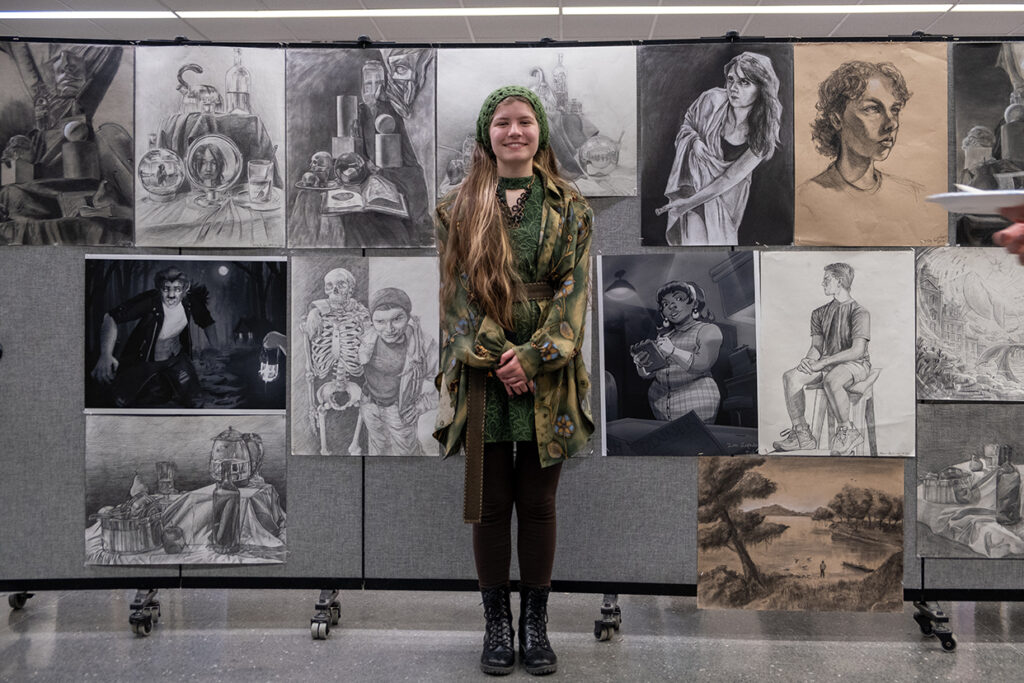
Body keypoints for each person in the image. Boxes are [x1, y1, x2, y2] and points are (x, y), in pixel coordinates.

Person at [434, 85, 593, 676]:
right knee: (492, 503)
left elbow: (573, 298)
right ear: (488, 135)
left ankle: (537, 625)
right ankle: (497, 625)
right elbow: (454, 299)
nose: (515, 131)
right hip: (484, 373)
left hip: (547, 375)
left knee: (539, 503)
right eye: (502, 123)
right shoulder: (458, 208)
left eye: (525, 121)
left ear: (541, 132)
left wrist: (535, 357)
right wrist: (499, 355)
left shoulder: (571, 207)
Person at [794, 61, 928, 245]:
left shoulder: (913, 195)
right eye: (872, 109)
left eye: (894, 110)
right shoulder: (805, 198)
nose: (892, 123)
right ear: (836, 119)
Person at [657, 52, 782, 246]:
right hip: (692, 186)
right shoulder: (711, 100)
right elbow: (688, 125)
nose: (734, 88)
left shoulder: (764, 132)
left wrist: (686, 204)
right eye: (731, 80)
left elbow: (728, 179)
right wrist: (694, 141)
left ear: (761, 88)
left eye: (744, 83)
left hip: (726, 199)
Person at [773, 263, 871, 455]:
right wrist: (808, 361)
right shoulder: (818, 313)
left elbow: (858, 350)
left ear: (840, 281)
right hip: (825, 363)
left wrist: (823, 362)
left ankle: (847, 430)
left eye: (827, 279)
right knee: (791, 377)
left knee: (833, 379)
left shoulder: (860, 312)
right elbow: (817, 347)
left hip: (856, 364)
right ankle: (803, 435)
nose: (822, 283)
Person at [90, 266, 218, 408]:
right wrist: (106, 354)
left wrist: (213, 349)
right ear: (159, 289)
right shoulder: (150, 301)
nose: (171, 295)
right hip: (145, 360)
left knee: (195, 399)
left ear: (184, 290)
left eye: (176, 289)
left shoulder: (191, 302)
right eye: (166, 289)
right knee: (120, 400)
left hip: (176, 359)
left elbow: (208, 323)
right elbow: (111, 317)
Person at [357, 287, 438, 455]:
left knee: (406, 455)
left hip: (400, 412)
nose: (389, 329)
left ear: (408, 317)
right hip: (370, 407)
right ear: (372, 321)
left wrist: (420, 406)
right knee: (377, 452)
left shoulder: (424, 344)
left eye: (397, 319)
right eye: (380, 321)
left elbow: (448, 383)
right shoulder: (366, 337)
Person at [630, 281, 723, 422]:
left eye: (679, 299)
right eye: (665, 304)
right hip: (660, 404)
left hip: (697, 401)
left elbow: (703, 363)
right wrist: (642, 364)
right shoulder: (664, 337)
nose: (671, 306)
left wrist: (673, 350)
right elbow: (651, 373)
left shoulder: (708, 330)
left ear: (694, 304)